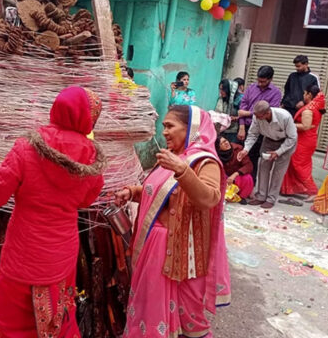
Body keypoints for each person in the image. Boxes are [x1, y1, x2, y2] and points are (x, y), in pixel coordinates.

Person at [0, 86, 105, 337]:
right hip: (61, 255)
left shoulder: (27, 146)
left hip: (23, 254)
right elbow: (85, 200)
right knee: (56, 318)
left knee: (8, 323)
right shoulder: (91, 156)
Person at [115, 105, 230, 338]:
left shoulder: (204, 162)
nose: (164, 132)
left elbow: (210, 198)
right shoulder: (174, 157)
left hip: (177, 250)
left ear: (191, 130)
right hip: (155, 246)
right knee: (150, 303)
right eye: (163, 126)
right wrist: (134, 192)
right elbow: (159, 194)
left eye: (170, 126)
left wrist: (183, 171)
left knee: (185, 313)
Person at [238, 101, 297, 209]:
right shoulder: (257, 117)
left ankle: (271, 198)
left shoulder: (284, 116)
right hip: (269, 140)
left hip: (286, 143)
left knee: (278, 172)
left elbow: (292, 138)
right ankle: (261, 196)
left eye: (259, 116)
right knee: (263, 167)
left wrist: (278, 152)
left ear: (267, 113)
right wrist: (245, 150)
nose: (257, 118)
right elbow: (253, 134)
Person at [280, 86, 326, 202]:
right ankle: (290, 189)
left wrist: (288, 124)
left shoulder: (308, 110)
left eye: (305, 93)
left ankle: (313, 190)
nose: (303, 95)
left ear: (309, 95)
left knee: (299, 165)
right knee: (296, 164)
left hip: (304, 141)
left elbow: (305, 126)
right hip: (307, 139)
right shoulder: (315, 107)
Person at [237, 65, 282, 180]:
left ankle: (250, 183)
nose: (260, 83)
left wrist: (248, 113)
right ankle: (236, 182)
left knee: (253, 157)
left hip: (261, 129)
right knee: (239, 154)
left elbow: (269, 112)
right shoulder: (251, 88)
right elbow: (242, 107)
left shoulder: (276, 93)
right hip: (245, 126)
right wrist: (241, 126)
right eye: (259, 80)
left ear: (270, 79)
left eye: (263, 81)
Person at [215, 134, 254, 201]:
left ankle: (242, 196)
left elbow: (248, 165)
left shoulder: (238, 149)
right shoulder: (216, 155)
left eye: (225, 141)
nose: (226, 143)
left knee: (248, 178)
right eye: (222, 143)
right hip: (225, 178)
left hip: (237, 176)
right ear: (219, 148)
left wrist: (236, 174)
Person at [215, 79, 242, 143]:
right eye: (220, 89)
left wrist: (236, 118)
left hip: (233, 131)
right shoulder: (221, 99)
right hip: (222, 130)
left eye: (223, 90)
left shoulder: (239, 100)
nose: (221, 92)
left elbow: (243, 115)